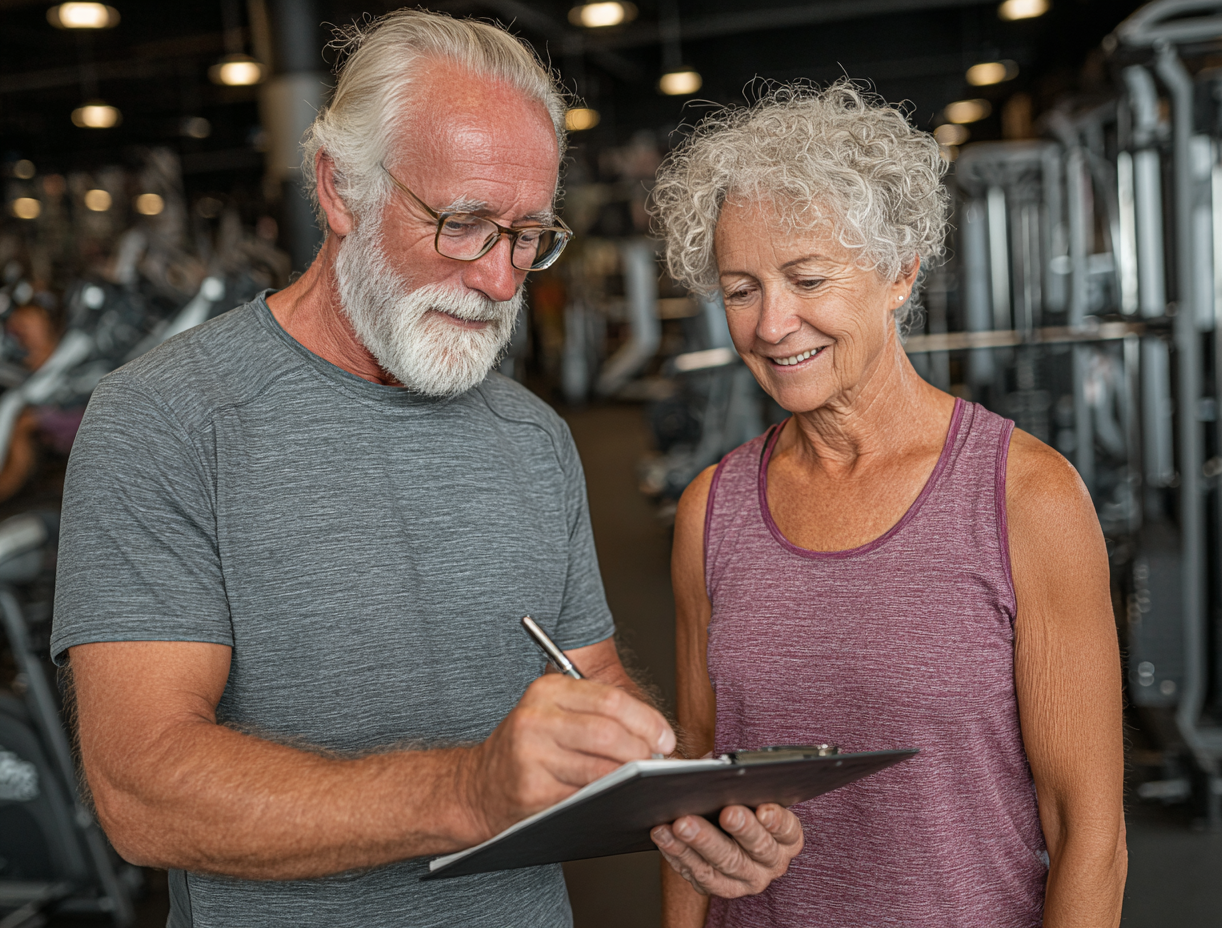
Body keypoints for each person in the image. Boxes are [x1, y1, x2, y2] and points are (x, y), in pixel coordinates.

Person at [48, 12, 797, 927]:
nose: (499, 279)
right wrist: (467, 791)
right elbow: (142, 791)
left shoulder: (532, 436)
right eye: (464, 224)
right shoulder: (167, 420)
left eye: (528, 235)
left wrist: (681, 795)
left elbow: (591, 675)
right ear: (338, 189)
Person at [647, 82, 1128, 927]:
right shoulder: (709, 513)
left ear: (900, 271)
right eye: (741, 288)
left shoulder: (1025, 497)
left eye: (807, 278)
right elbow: (692, 800)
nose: (771, 323)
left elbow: (1089, 835)